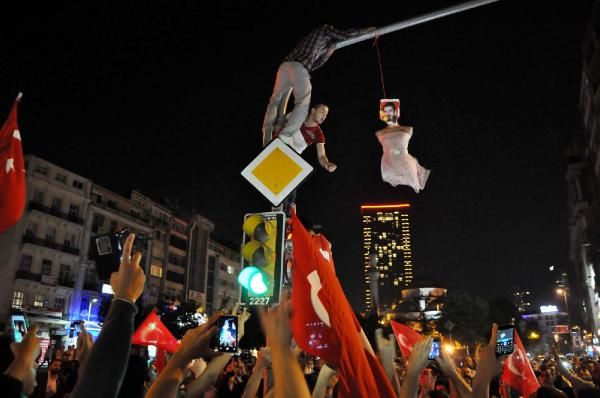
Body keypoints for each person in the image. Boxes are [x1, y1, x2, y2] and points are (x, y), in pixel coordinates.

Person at [262, 24, 375, 146]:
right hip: (298, 67)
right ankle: (285, 136)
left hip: (284, 67)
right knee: (303, 103)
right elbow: (344, 35)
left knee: (275, 101)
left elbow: (318, 62)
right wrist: (368, 31)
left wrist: (329, 51)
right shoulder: (325, 29)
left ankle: (266, 137)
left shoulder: (317, 44)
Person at [375, 100, 430, 193]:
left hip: (406, 166)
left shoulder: (407, 129)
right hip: (389, 167)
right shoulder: (379, 133)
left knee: (408, 195)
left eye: (390, 111)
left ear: (396, 112)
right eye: (385, 111)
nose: (388, 114)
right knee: (393, 195)